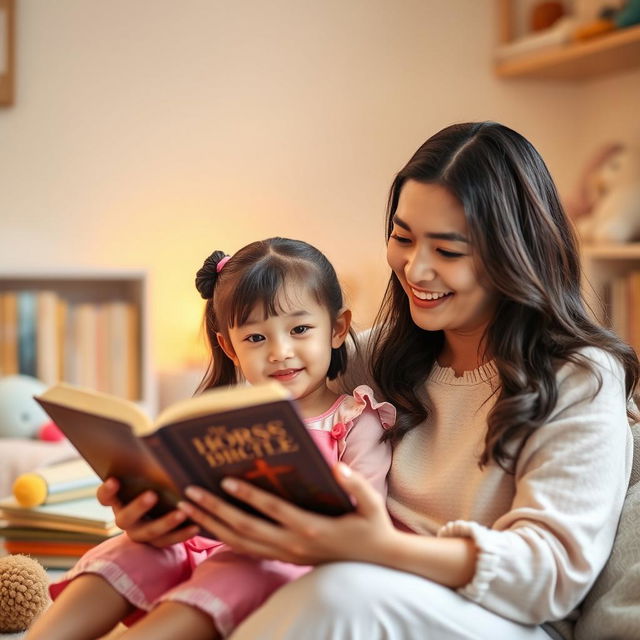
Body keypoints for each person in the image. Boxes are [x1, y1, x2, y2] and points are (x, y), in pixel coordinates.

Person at [92, 121, 637, 639]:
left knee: (339, 591)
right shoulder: (376, 355)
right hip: (364, 581)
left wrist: (378, 548)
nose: (415, 270)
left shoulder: (579, 377)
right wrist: (163, 503)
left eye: (447, 251)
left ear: (515, 253)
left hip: (501, 621)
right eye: (403, 237)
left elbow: (554, 577)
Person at [26, 238, 394, 640]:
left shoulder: (355, 418)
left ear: (337, 329)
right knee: (129, 550)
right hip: (194, 543)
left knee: (237, 569)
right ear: (229, 348)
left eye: (300, 329)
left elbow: (366, 520)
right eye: (256, 338)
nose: (280, 351)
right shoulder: (219, 420)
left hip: (283, 560)